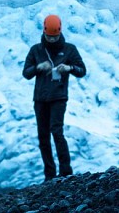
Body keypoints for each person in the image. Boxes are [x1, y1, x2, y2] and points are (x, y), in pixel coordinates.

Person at [22, 14, 86, 181]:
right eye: (49, 36)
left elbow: (82, 70)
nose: (51, 40)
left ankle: (66, 171)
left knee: (57, 132)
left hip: (58, 97)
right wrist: (38, 67)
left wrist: (69, 67)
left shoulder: (70, 49)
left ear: (60, 33)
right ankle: (49, 174)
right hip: (40, 99)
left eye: (54, 37)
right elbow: (26, 73)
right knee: (43, 136)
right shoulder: (36, 50)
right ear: (44, 32)